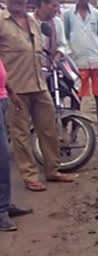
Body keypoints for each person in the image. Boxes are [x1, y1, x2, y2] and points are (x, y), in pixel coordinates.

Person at [0, 0, 76, 192]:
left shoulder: (33, 21)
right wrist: (8, 88)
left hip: (39, 84)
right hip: (15, 88)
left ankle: (53, 169)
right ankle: (30, 176)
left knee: (49, 127)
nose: (18, 2)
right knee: (21, 134)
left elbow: (39, 49)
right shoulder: (1, 22)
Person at [62, 0, 98, 143]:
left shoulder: (97, 15)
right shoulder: (68, 15)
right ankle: (74, 132)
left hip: (96, 61)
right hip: (77, 63)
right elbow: (64, 38)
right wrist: (69, 56)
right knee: (76, 98)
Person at [0, 56, 32, 232]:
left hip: (2, 100)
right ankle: (1, 209)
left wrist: (11, 93)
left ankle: (4, 204)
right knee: (2, 158)